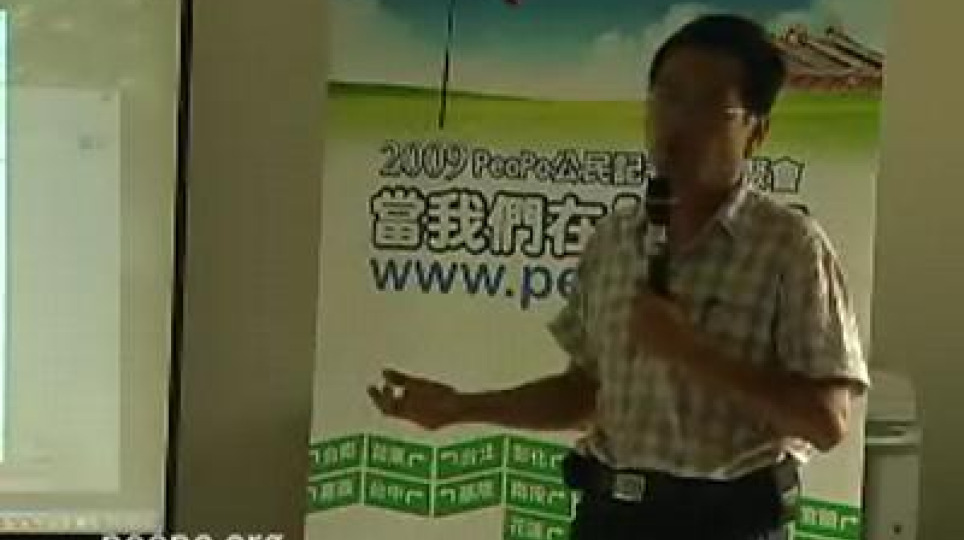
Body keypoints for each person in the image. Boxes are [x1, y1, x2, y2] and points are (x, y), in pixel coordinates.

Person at [368, 13, 869, 540]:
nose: (678, 122)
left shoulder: (790, 247)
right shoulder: (613, 239)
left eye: (706, 107)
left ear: (756, 132)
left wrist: (692, 354)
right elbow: (585, 394)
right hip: (612, 515)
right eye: (667, 98)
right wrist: (461, 407)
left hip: (729, 522)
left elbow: (825, 422)